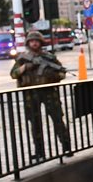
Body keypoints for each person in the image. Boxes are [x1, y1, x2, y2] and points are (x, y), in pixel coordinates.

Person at [10, 29, 71, 161]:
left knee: (58, 120)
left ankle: (67, 146)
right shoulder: (22, 58)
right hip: (31, 94)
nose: (34, 43)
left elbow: (62, 73)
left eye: (36, 41)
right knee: (35, 123)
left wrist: (52, 75)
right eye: (32, 41)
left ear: (41, 42)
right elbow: (13, 74)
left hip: (49, 92)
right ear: (28, 43)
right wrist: (25, 67)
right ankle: (39, 152)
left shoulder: (49, 57)